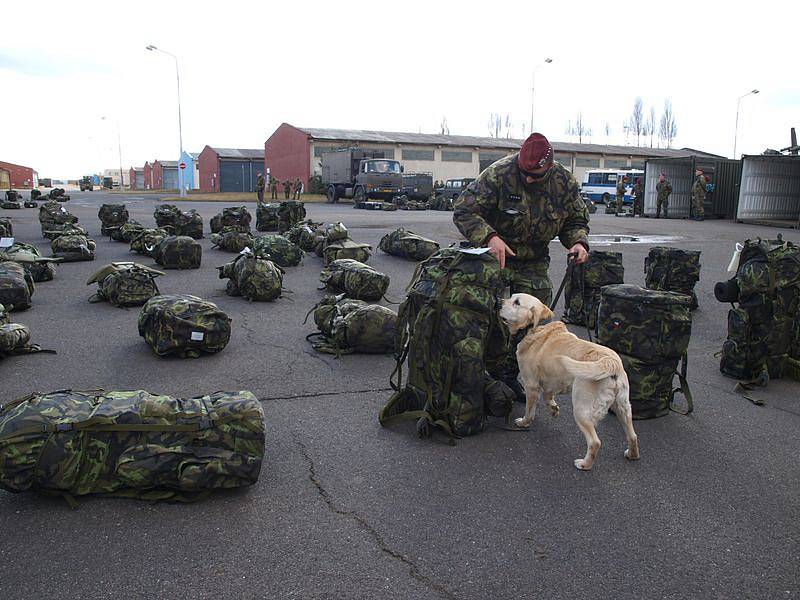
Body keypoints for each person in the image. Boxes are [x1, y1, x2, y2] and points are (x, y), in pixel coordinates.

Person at [453, 132, 590, 398]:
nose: (528, 179)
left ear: (549, 167)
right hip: (494, 259)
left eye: (535, 176)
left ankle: (508, 375)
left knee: (534, 322)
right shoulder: (499, 174)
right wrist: (490, 237)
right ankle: (477, 374)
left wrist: (578, 243)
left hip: (533, 261)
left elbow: (575, 220)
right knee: (490, 317)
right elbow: (463, 211)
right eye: (524, 173)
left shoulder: (564, 182)